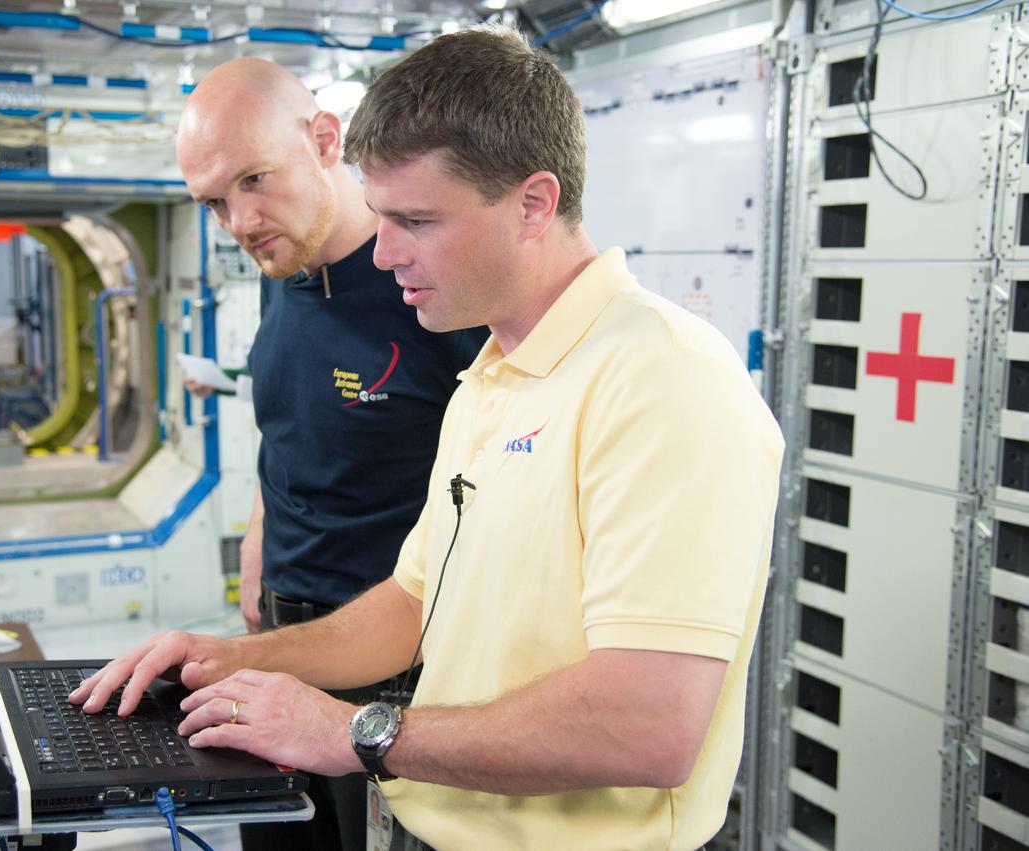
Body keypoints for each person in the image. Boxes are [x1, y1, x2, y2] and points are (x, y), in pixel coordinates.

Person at [72, 24, 784, 851]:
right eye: (379, 216)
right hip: (439, 817)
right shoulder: (491, 374)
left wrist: (354, 731)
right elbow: (413, 604)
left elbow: (649, 726)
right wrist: (225, 658)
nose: (384, 250)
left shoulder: (663, 378)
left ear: (533, 203)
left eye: (415, 219)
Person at [172, 57, 486, 851]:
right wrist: (256, 544)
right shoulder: (284, 264)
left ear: (322, 139)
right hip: (280, 633)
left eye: (253, 180)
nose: (239, 222)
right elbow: (292, 424)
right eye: (213, 203)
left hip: (393, 661)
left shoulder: (432, 288)